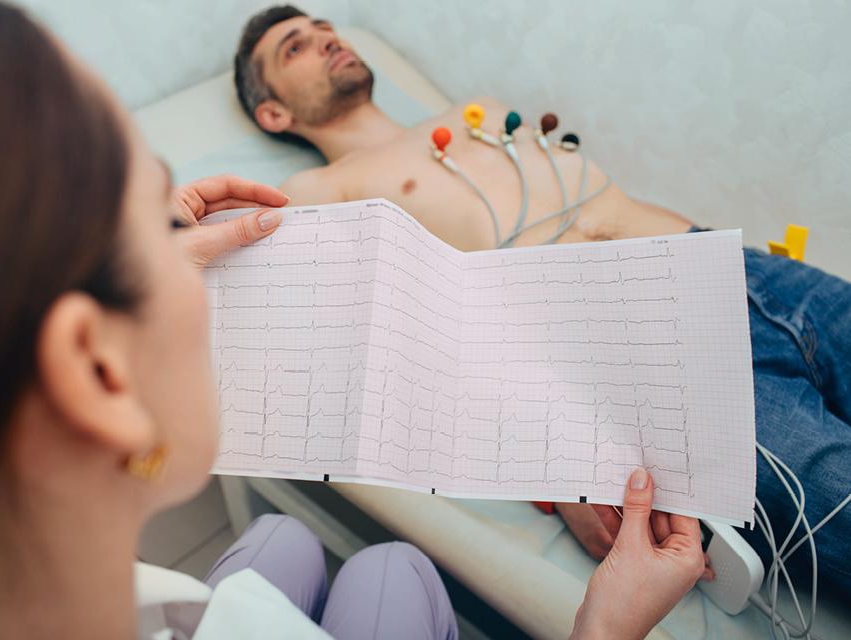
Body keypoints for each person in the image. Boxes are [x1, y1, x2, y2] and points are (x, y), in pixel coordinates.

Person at [0, 1, 707, 639]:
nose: (198, 256)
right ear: (98, 373)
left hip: (714, 264)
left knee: (315, 555)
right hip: (648, 342)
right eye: (160, 225)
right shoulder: (327, 202)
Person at [232, 5, 851, 599]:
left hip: (739, 268)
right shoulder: (318, 192)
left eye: (324, 28)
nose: (326, 39)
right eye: (297, 47)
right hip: (649, 348)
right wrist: (560, 479)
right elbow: (411, 350)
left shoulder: (479, 112)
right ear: (273, 114)